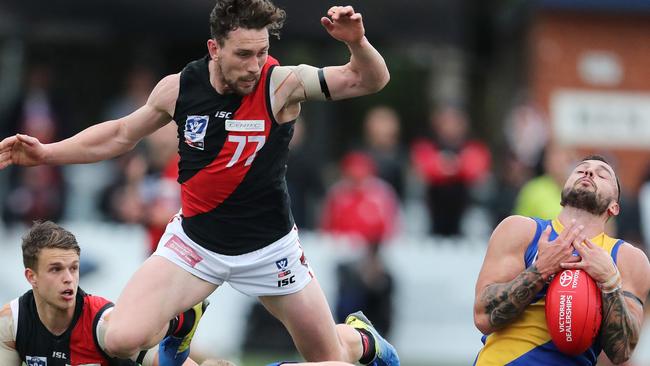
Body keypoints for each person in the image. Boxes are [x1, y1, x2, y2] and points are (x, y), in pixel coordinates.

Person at [0, 1, 398, 365]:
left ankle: (362, 338)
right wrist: (46, 153)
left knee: (330, 359)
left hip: (269, 249)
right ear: (214, 49)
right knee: (121, 339)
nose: (254, 65)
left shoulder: (282, 83)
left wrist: (358, 42)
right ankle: (181, 324)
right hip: (195, 245)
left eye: (261, 52)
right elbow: (121, 134)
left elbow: (369, 80)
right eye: (243, 54)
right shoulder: (179, 88)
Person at [473, 155, 650, 365]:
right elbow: (483, 317)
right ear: (562, 191)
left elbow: (622, 352)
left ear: (614, 207)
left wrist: (610, 282)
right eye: (580, 170)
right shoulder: (521, 231)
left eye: (602, 175)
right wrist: (540, 270)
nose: (589, 172)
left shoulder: (627, 259)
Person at [0, 221, 200, 366]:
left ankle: (181, 320)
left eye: (74, 268)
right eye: (56, 269)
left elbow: (171, 364)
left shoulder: (105, 325)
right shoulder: (12, 322)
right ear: (31, 276)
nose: (69, 278)